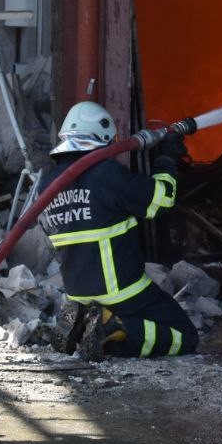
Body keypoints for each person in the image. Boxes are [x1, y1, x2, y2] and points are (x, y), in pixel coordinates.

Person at [39, 101, 199, 361]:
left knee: (115, 316)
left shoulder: (47, 185)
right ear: (103, 138)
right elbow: (161, 200)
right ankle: (115, 329)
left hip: (77, 292)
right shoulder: (107, 174)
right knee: (184, 335)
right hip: (122, 290)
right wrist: (167, 159)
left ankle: (84, 325)